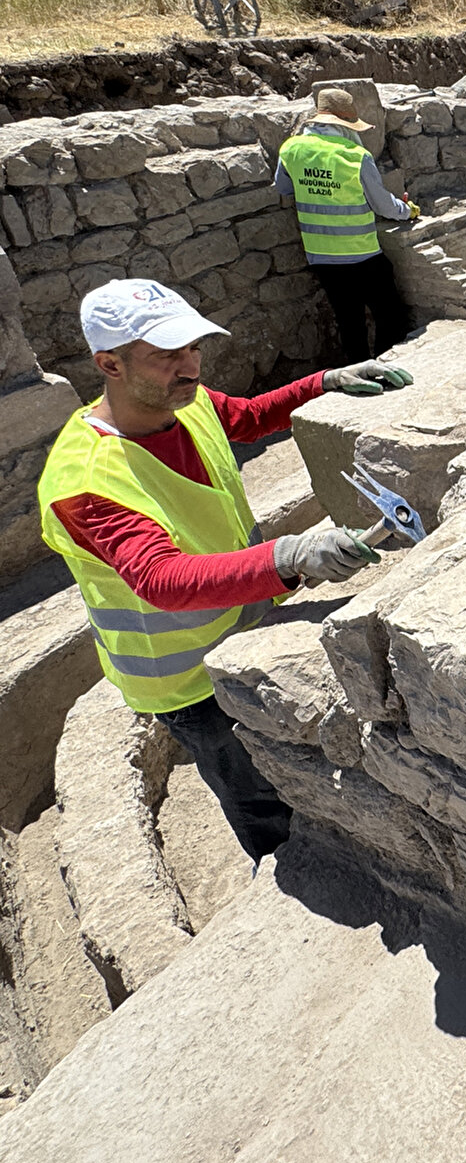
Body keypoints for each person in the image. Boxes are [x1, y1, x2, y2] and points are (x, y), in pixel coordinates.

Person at [38, 278, 413, 865]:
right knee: (253, 790)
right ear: (109, 363)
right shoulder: (86, 480)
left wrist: (325, 382)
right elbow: (160, 580)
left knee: (295, 759)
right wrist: (288, 557)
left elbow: (246, 417)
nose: (190, 366)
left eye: (193, 347)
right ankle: (281, 863)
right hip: (186, 679)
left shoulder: (184, 402)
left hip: (247, 626)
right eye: (167, 354)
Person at [276, 87, 421, 362]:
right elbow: (382, 204)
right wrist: (407, 211)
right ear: (345, 124)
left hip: (320, 255)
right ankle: (387, 365)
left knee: (349, 321)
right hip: (360, 253)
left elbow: (284, 187)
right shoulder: (355, 156)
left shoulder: (292, 149)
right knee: (390, 314)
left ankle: (359, 371)